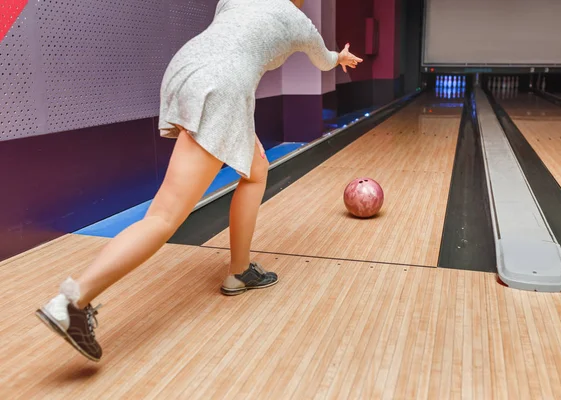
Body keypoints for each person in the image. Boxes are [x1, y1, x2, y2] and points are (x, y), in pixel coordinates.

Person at [35, 0, 363, 362]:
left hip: (187, 69)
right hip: (223, 88)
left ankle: (238, 272)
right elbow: (322, 59)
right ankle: (73, 300)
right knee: (164, 217)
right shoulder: (297, 20)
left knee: (255, 171)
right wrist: (339, 57)